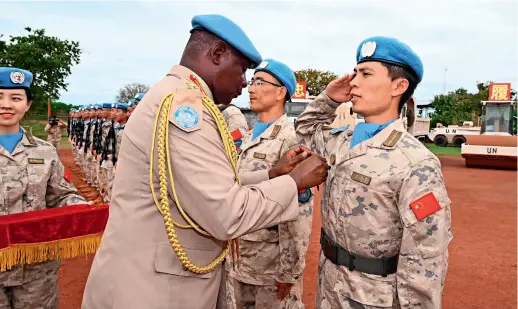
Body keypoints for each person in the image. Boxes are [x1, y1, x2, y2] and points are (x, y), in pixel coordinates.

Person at [82, 14, 328, 309]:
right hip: (156, 290)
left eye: (254, 79)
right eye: (242, 72)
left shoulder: (174, 96)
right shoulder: (186, 109)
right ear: (217, 54)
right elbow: (225, 212)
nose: (243, 85)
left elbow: (200, 185)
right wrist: (294, 181)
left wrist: (271, 175)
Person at [295, 36, 453, 309]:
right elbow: (303, 131)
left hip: (372, 297)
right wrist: (329, 99)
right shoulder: (339, 140)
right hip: (330, 285)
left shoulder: (415, 162)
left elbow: (426, 258)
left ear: (399, 86)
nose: (354, 81)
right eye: (355, 72)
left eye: (366, 74)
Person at [225, 59, 312, 309]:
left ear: (280, 92)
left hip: (270, 269)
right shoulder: (250, 135)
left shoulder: (291, 139)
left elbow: (298, 214)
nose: (251, 88)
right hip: (239, 258)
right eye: (252, 82)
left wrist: (289, 272)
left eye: (260, 82)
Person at [0, 67, 87, 309]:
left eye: (15, 98)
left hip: (37, 269)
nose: (6, 105)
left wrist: (80, 209)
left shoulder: (45, 151)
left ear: (27, 105)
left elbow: (62, 194)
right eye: (0, 97)